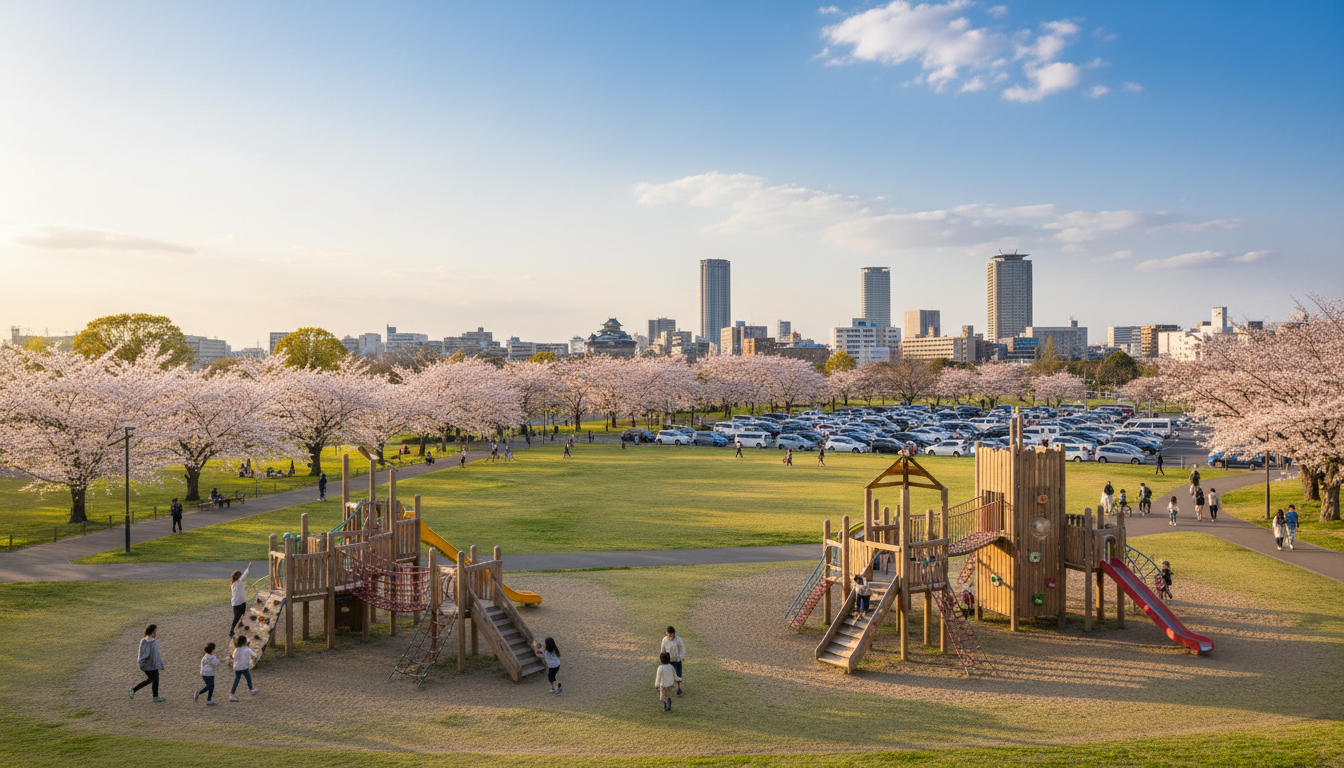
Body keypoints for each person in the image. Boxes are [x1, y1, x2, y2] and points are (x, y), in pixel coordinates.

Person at [129, 624, 166, 702]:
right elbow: (143, 653)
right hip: (146, 664)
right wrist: (147, 658)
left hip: (153, 664)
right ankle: (133, 689)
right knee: (152, 679)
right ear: (152, 632)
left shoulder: (154, 641)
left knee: (155, 679)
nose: (156, 632)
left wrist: (159, 664)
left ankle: (155, 696)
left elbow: (156, 654)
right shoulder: (144, 641)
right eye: (155, 631)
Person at [229, 635, 259, 701]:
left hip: (237, 667)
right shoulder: (247, 649)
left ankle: (232, 694)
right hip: (244, 667)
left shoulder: (236, 650)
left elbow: (234, 657)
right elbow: (254, 655)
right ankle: (251, 689)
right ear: (245, 642)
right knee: (248, 677)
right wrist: (254, 659)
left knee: (236, 680)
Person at [661, 627, 685, 696]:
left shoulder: (678, 640)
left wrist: (681, 657)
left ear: (674, 634)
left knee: (678, 674)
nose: (669, 636)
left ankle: (679, 688)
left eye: (670, 635)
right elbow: (663, 650)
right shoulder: (665, 640)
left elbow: (682, 649)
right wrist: (662, 658)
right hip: (668, 661)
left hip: (677, 660)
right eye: (668, 634)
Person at [230, 563, 252, 635]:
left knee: (243, 616)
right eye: (237, 575)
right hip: (237, 603)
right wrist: (248, 568)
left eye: (239, 574)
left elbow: (242, 585)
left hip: (242, 602)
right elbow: (244, 577)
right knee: (237, 617)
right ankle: (232, 630)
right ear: (234, 577)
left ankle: (242, 628)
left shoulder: (240, 583)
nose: (238, 576)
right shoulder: (235, 584)